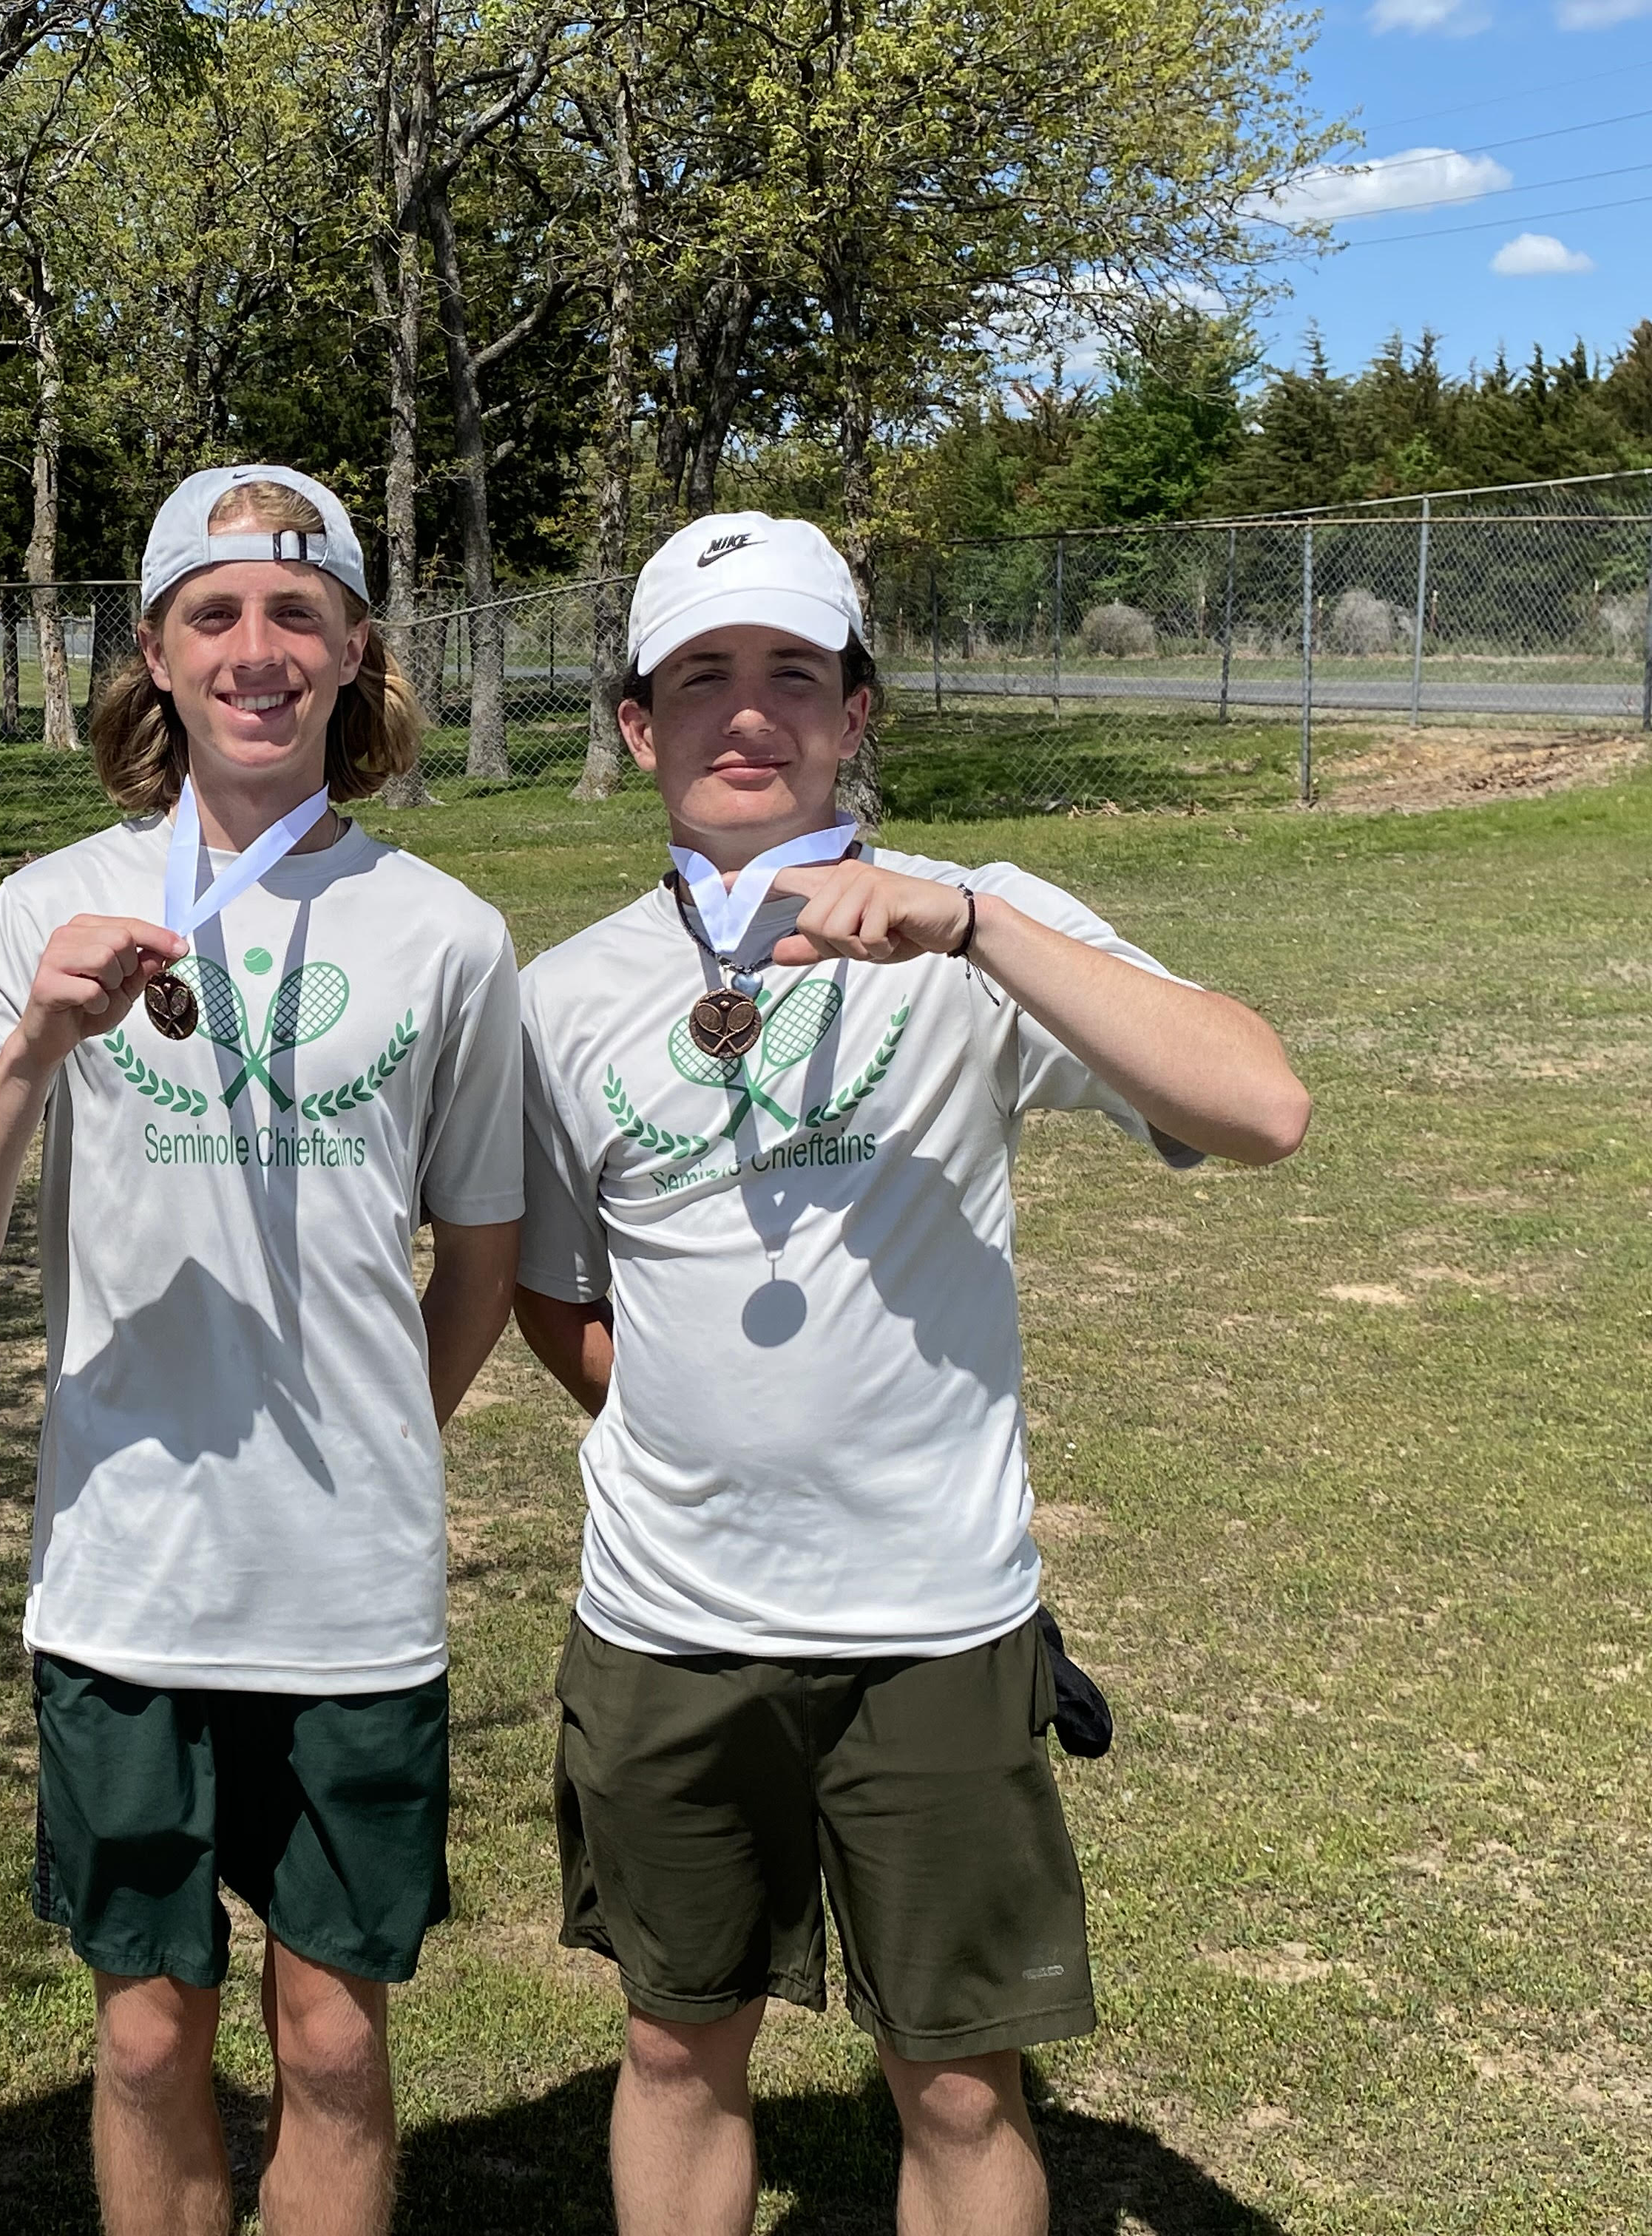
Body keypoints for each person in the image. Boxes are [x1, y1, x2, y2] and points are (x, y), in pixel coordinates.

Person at [512, 512, 1312, 2236]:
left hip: (934, 1628)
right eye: (701, 677)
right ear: (638, 725)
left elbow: (1262, 1108)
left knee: (956, 2078)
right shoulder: (564, 996)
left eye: (793, 673)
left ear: (857, 713)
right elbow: (553, 1291)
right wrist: (692, 1435)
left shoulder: (983, 928)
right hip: (666, 1628)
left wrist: (965, 924)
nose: (748, 714)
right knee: (676, 2046)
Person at [0, 464, 523, 2236]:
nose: (259, 651)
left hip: (348, 1591)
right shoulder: (45, 912)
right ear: (153, 653)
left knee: (328, 2039)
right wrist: (31, 1051)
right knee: (154, 2041)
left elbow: (478, 1251)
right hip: (124, 1580)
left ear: (355, 649)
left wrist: (389, 1423)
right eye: (215, 615)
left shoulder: (447, 935)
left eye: (297, 614)